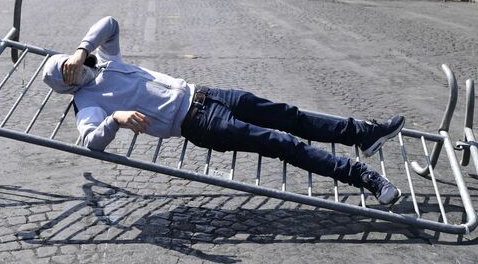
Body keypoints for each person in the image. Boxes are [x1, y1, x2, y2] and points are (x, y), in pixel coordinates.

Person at [42, 17, 406, 206]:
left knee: (290, 115)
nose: (77, 68)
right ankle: (362, 176)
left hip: (207, 93)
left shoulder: (105, 61)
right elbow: (91, 141)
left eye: (73, 63)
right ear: (67, 86)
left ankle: (363, 134)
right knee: (283, 143)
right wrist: (116, 119)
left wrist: (79, 49)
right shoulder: (88, 103)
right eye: (69, 72)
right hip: (200, 122)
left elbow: (110, 23)